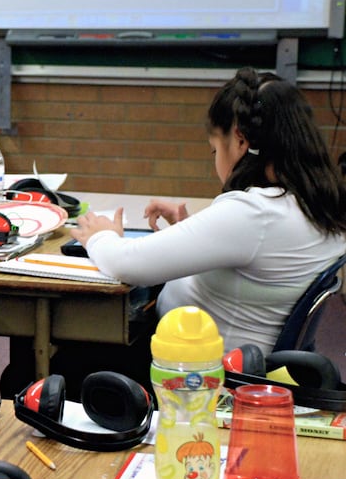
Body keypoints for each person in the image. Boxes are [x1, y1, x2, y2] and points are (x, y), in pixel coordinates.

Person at [71, 67, 346, 356]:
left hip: (197, 375)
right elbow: (254, 261)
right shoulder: (320, 201)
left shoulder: (254, 214)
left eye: (215, 149)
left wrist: (100, 235)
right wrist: (193, 229)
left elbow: (125, 264)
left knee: (74, 353)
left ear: (240, 141)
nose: (216, 160)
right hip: (238, 364)